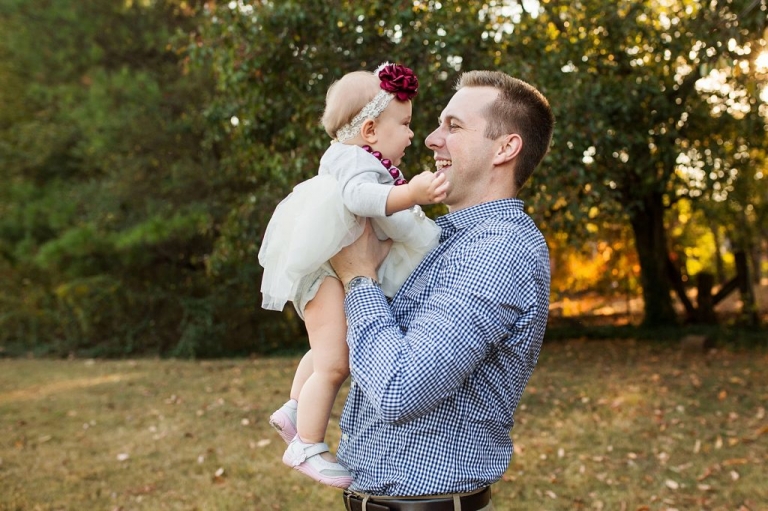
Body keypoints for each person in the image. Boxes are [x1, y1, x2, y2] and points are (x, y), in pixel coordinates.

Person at [329, 70, 554, 511]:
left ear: (505, 148)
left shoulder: (499, 249)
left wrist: (358, 277)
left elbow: (399, 389)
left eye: (454, 126)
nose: (431, 139)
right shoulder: (439, 240)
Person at [259, 62, 449, 489]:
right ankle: (306, 444)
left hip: (321, 268)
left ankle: (293, 408)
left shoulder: (352, 158)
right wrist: (411, 194)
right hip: (324, 271)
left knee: (328, 345)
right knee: (335, 361)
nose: (412, 134)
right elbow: (363, 199)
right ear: (369, 131)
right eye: (404, 124)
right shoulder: (357, 166)